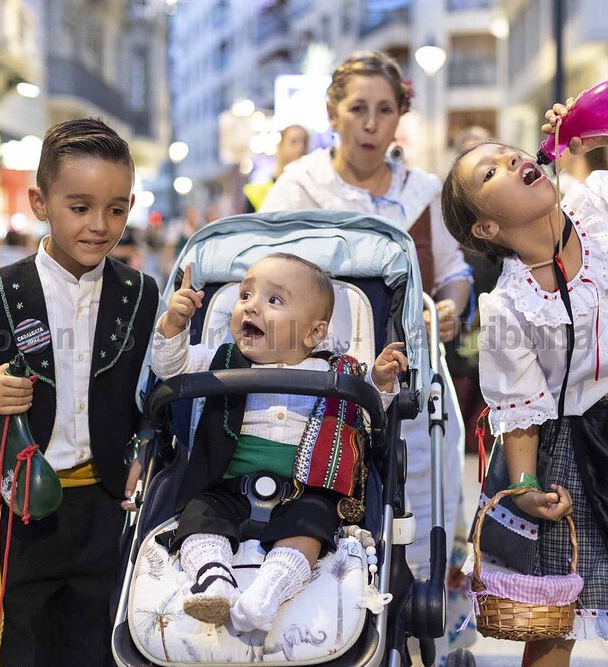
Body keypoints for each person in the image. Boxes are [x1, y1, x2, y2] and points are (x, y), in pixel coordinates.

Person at [441, 95, 608, 666]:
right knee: (549, 618)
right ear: (487, 226)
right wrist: (526, 485)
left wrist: (602, 125)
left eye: (512, 155)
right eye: (492, 170)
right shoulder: (507, 304)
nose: (514, 162)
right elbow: (521, 411)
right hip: (566, 447)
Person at [260, 50, 474, 653]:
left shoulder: (427, 192)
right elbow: (265, 266)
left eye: (385, 110)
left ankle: (418, 618)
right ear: (335, 113)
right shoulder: (300, 184)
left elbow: (456, 271)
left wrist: (453, 303)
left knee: (423, 494)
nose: (371, 123)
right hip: (319, 381)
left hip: (411, 376)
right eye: (359, 109)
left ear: (399, 115)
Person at [0, 118, 160, 666]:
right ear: (40, 202)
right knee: (21, 641)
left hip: (106, 505)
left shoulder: (140, 294)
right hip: (21, 510)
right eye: (80, 206)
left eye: (116, 209)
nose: (99, 225)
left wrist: (141, 454)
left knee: (96, 642)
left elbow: (148, 391)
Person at [150, 254, 406, 631]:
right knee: (199, 516)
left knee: (311, 527)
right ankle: (213, 579)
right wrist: (174, 323)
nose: (251, 305)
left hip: (303, 491)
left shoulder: (333, 372)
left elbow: (368, 418)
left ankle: (266, 593)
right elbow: (169, 367)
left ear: (314, 334)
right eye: (245, 295)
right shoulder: (221, 359)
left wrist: (380, 384)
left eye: (274, 300)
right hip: (225, 484)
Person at [243, 124, 310, 212]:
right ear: (281, 146)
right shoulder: (256, 193)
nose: (300, 148)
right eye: (293, 142)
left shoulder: (311, 190)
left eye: (304, 142)